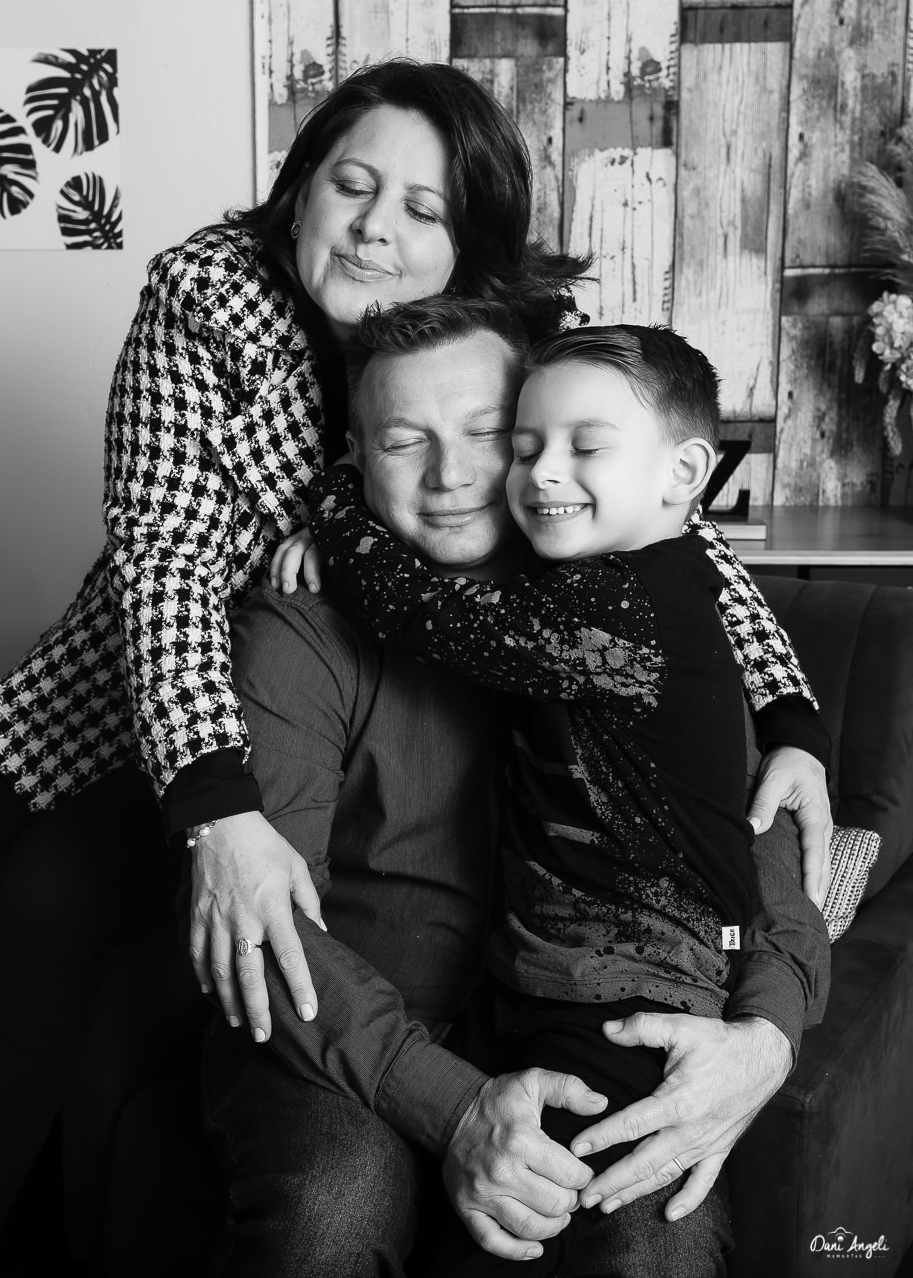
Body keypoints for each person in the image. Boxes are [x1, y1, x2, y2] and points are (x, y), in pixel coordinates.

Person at [0, 59, 592, 1258]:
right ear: (300, 186)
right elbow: (163, 556)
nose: (373, 229)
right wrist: (217, 807)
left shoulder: (510, 348)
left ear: (466, 246)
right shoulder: (208, 298)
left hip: (297, 733)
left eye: (421, 209)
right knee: (32, 899)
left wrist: (781, 706)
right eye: (351, 185)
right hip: (133, 706)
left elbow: (649, 507)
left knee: (67, 928)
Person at [202, 298, 830, 1278]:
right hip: (362, 1033)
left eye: (488, 434)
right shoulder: (302, 627)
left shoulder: (616, 593)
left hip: (588, 1007)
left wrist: (764, 1033)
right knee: (335, 1204)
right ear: (353, 458)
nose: (451, 475)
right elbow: (264, 926)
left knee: (652, 1227)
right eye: (403, 441)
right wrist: (452, 1104)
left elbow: (743, 840)